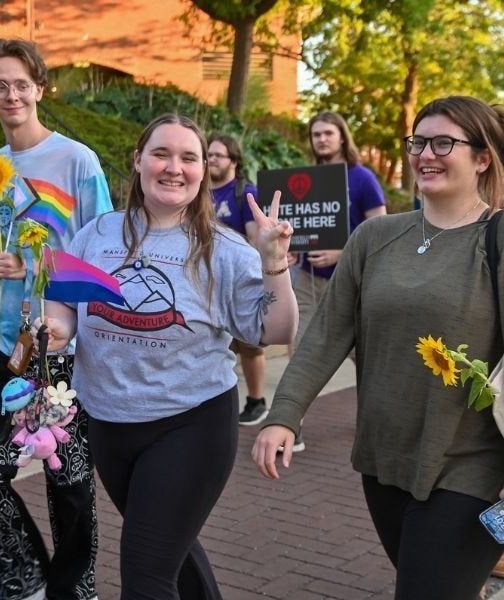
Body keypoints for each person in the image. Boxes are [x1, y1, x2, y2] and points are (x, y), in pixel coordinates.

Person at [35, 113, 298, 600]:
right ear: (138, 161)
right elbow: (63, 302)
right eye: (161, 153)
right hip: (109, 422)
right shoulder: (97, 233)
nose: (173, 167)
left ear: (202, 171)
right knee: (170, 550)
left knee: (145, 573)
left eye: (188, 157)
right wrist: (56, 329)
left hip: (191, 424)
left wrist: (273, 263)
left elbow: (275, 330)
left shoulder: (224, 248)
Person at [252, 95, 504, 600]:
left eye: (443, 143)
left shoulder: (496, 238)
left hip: (471, 465)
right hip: (383, 460)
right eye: (418, 142)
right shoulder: (375, 237)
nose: (425, 154)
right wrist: (285, 414)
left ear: (482, 158)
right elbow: (326, 334)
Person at [0, 38, 113, 600]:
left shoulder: (76, 160)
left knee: (68, 482)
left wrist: (35, 262)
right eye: (0, 84)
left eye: (22, 83)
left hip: (61, 346)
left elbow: (106, 253)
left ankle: (75, 588)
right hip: (2, 344)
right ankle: (24, 573)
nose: (12, 94)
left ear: (40, 88)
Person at [288, 110, 387, 451]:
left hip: (350, 281)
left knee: (365, 355)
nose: (322, 139)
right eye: (316, 134)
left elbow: (380, 231)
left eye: (328, 133)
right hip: (306, 278)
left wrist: (340, 253)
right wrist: (289, 250)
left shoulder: (362, 178)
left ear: (342, 136)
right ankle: (291, 425)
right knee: (299, 349)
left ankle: (372, 419)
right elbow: (298, 225)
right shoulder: (306, 178)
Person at [208, 133, 267, 425]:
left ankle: (256, 401)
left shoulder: (245, 192)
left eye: (218, 155)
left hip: (238, 280)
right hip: (206, 281)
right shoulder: (199, 191)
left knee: (249, 345)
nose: (211, 160)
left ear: (233, 160)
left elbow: (255, 238)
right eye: (209, 154)